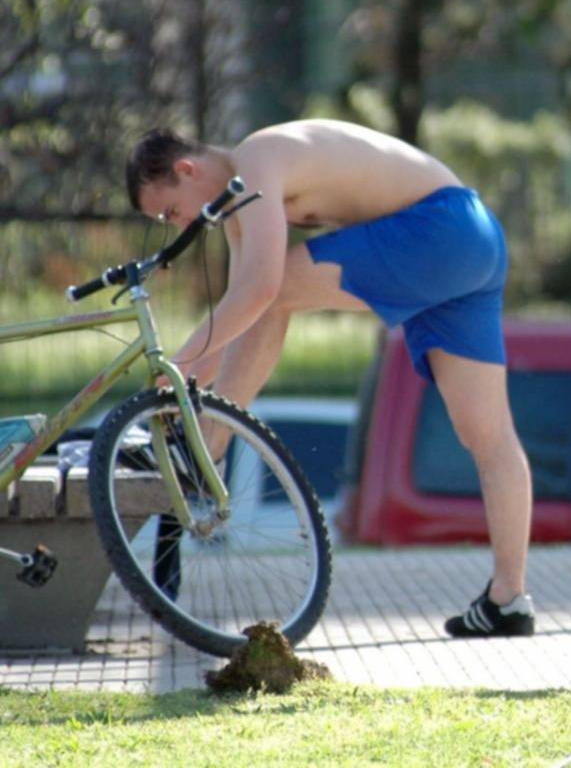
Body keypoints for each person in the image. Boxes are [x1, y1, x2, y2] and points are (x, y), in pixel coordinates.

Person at [126, 119, 535, 639]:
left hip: (439, 230)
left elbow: (260, 290)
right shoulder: (237, 208)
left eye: (169, 210)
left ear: (186, 169)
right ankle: (509, 598)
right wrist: (181, 387)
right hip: (474, 242)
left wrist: (177, 365)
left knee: (271, 293)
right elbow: (235, 319)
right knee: (488, 434)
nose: (177, 224)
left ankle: (207, 450)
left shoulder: (258, 158)